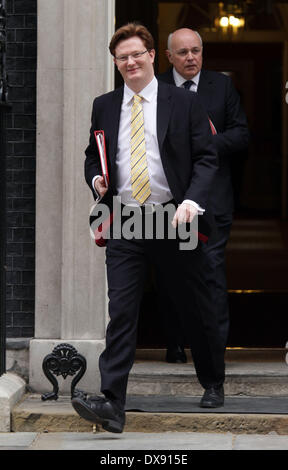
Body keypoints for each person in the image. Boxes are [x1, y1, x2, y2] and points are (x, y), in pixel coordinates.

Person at [71, 23, 225, 434]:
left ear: (153, 56)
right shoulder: (104, 104)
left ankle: (213, 380)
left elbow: (208, 157)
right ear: (117, 63)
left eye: (137, 54)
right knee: (121, 310)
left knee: (194, 303)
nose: (131, 62)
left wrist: (192, 200)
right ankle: (112, 404)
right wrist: (97, 180)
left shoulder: (182, 102)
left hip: (176, 216)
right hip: (126, 218)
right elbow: (93, 154)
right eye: (123, 57)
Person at [158, 28, 249, 363]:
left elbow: (240, 134)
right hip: (166, 203)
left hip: (213, 200)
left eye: (196, 51)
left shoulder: (221, 86)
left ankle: (213, 350)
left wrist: (204, 144)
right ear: (169, 56)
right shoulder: (156, 88)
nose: (191, 58)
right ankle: (175, 343)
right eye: (182, 52)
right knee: (171, 275)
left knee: (210, 274)